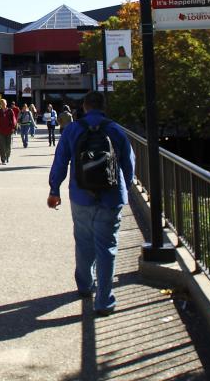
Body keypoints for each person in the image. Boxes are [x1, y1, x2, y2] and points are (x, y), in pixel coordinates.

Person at [47, 90, 136, 316]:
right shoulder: (115, 130)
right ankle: (104, 301)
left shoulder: (74, 130)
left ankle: (85, 285)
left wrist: (54, 189)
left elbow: (60, 161)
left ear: (85, 107)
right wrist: (125, 190)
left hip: (81, 195)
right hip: (111, 196)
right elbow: (129, 164)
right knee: (107, 247)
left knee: (84, 242)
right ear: (103, 107)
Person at [0, 100, 16, 164]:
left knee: (8, 146)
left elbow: (14, 120)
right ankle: (3, 159)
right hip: (1, 131)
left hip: (9, 131)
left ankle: (7, 156)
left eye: (4, 103)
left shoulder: (10, 111)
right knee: (2, 146)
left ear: (6, 104)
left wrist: (13, 127)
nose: (3, 104)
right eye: (1, 103)